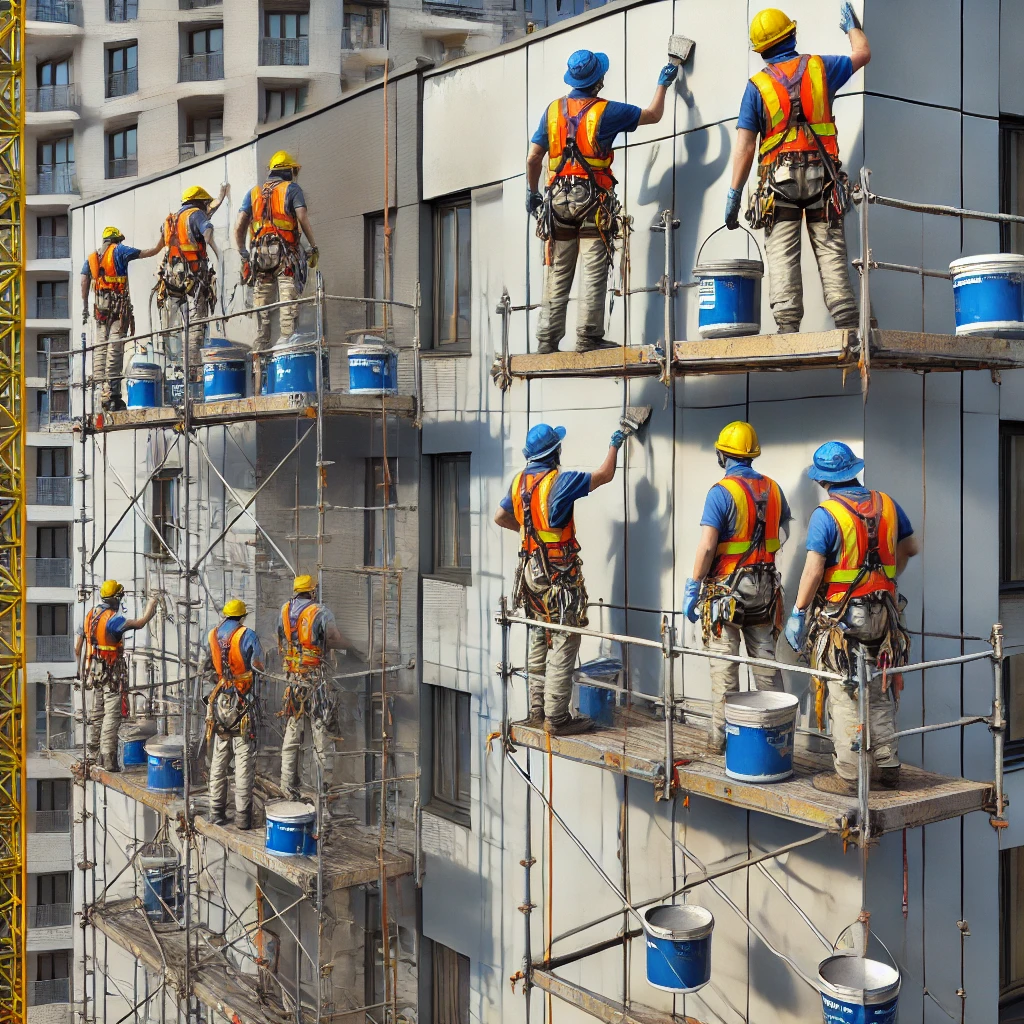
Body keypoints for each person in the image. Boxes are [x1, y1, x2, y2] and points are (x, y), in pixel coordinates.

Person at [725, 4, 871, 334]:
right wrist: (852, 27)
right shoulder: (821, 68)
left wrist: (733, 196)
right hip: (824, 179)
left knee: (782, 253)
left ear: (761, 51)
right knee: (831, 251)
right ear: (792, 34)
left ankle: (788, 330)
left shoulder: (756, 87)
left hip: (778, 184)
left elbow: (745, 147)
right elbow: (862, 53)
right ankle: (848, 326)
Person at [784, 441, 918, 795]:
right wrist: (888, 578)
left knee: (845, 691)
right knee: (879, 689)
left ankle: (848, 776)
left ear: (824, 480)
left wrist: (798, 611)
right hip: (885, 616)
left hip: (843, 621)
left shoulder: (826, 514)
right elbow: (911, 547)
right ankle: (888, 767)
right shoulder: (887, 503)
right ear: (853, 471)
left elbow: (814, 571)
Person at [525, 50, 679, 354]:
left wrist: (532, 193)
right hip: (592, 200)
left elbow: (533, 157)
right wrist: (663, 84)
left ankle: (547, 338)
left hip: (556, 201)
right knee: (594, 266)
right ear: (598, 80)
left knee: (558, 270)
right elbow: (653, 115)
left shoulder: (553, 111)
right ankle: (588, 336)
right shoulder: (606, 112)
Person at [494, 423, 626, 734]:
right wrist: (615, 446)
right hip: (559, 577)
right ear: (556, 452)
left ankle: (537, 709)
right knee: (565, 639)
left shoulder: (519, 483)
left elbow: (501, 517)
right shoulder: (560, 481)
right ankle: (557, 717)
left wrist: (531, 537)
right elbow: (605, 475)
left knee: (540, 635)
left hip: (531, 575)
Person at [683, 422, 791, 753]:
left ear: (722, 454)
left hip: (727, 594)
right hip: (764, 589)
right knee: (766, 667)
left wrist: (694, 586)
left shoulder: (721, 493)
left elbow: (706, 546)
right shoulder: (773, 489)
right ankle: (777, 737)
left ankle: (720, 739)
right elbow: (783, 530)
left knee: (724, 667)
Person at [233, 151, 319, 352]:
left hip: (259, 258)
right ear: (288, 170)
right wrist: (313, 246)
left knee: (262, 305)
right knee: (287, 305)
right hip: (285, 256)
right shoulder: (292, 189)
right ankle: (286, 349)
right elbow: (302, 217)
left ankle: (261, 350)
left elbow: (239, 226)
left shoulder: (253, 193)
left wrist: (243, 252)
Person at [278, 574, 350, 801]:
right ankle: (324, 788)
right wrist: (353, 647)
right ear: (312, 591)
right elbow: (334, 637)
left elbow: (281, 638)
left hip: (293, 682)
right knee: (322, 736)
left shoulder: (284, 611)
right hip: (315, 682)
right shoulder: (320, 611)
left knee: (292, 736)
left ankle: (288, 788)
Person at [75, 580, 158, 771]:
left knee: (97, 713)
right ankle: (108, 758)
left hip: (94, 672)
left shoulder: (90, 615)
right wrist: (151, 606)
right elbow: (139, 623)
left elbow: (77, 647)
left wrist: (81, 672)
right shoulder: (113, 620)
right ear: (115, 599)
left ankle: (92, 755)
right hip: (111, 673)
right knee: (111, 715)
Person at [80, 227, 162, 410]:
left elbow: (84, 280)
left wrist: (85, 306)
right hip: (117, 311)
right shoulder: (119, 250)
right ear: (115, 239)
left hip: (100, 312)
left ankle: (103, 392)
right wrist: (159, 245)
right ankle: (112, 394)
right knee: (114, 352)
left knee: (100, 350)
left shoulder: (93, 257)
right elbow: (144, 253)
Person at [153, 184, 229, 377]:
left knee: (176, 326)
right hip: (192, 276)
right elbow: (206, 228)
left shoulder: (172, 219)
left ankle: (176, 369)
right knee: (196, 324)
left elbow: (164, 245)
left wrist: (221, 196)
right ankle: (193, 371)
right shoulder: (197, 215)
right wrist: (216, 250)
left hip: (172, 278)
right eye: (206, 204)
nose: (207, 208)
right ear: (199, 202)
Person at [203, 599, 265, 829]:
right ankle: (242, 818)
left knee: (219, 758)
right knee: (243, 759)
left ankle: (216, 812)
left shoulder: (211, 635)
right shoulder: (247, 635)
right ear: (242, 617)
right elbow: (259, 666)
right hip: (242, 704)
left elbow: (206, 666)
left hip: (220, 703)